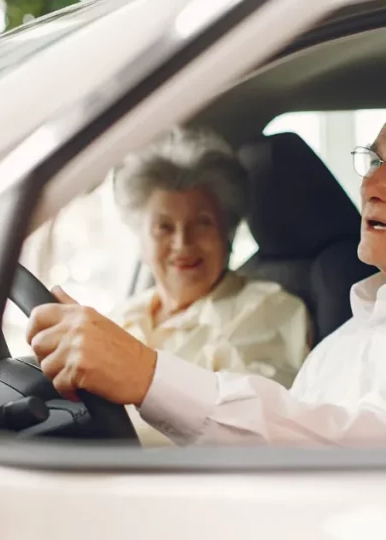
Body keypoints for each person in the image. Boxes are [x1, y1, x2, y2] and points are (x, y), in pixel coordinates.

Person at [29, 88, 386, 447]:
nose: (371, 185)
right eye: (374, 161)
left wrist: (148, 376)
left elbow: (379, 459)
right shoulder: (347, 340)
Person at [105, 127, 312, 445]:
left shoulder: (268, 309)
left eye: (202, 223)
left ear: (227, 234)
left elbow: (251, 430)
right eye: (163, 227)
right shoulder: (125, 314)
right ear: (141, 240)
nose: (182, 243)